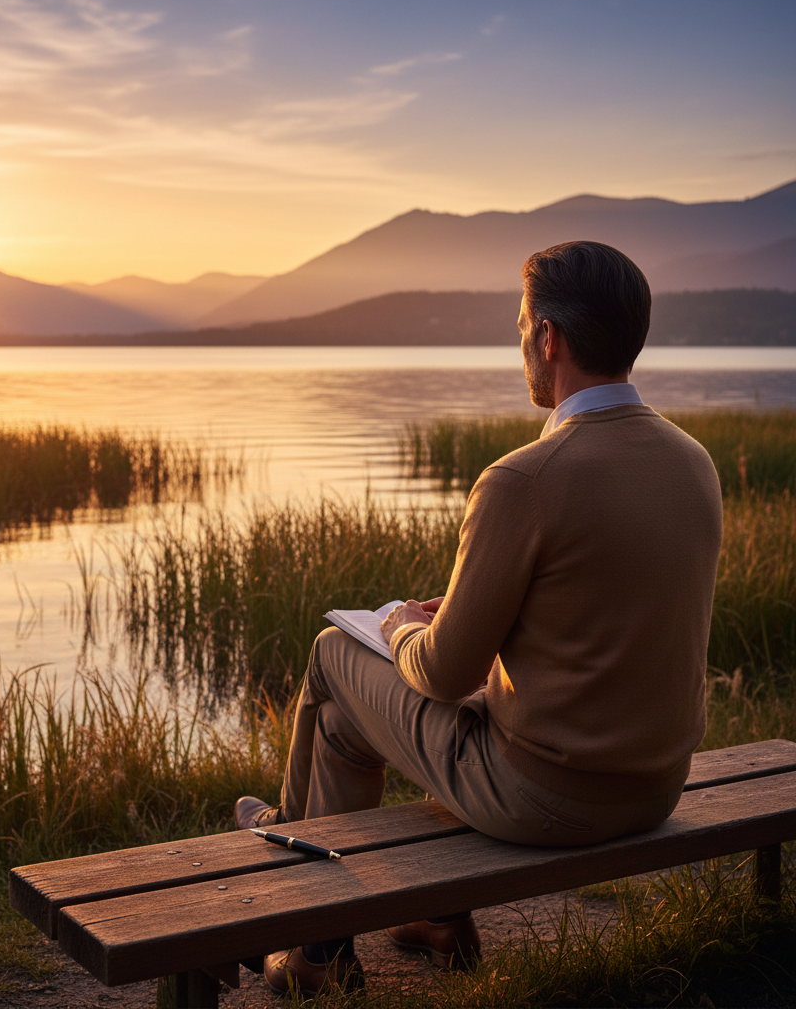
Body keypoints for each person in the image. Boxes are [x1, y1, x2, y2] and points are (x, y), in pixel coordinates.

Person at [234, 240, 724, 997]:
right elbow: (592, 626)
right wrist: (465, 616)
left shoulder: (524, 480)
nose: (521, 341)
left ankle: (310, 922)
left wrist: (400, 623)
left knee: (335, 655)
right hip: (656, 784)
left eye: (522, 324)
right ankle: (428, 915)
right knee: (346, 723)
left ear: (549, 338)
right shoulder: (693, 461)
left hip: (545, 799)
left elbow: (445, 672)